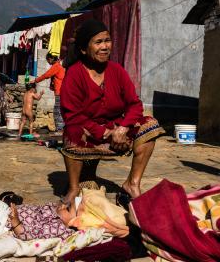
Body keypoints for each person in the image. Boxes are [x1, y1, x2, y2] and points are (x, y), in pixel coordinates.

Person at [59, 19, 165, 206]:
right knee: (72, 130)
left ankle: (132, 183)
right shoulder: (74, 74)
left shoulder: (117, 71)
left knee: (150, 124)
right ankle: (74, 187)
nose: (105, 47)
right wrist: (105, 133)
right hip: (90, 134)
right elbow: (72, 115)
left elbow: (134, 104)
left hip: (117, 133)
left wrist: (122, 129)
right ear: (84, 49)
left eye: (107, 40)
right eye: (98, 42)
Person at [34, 53, 65, 134]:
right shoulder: (58, 65)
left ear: (51, 59)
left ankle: (60, 129)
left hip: (60, 91)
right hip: (61, 91)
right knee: (59, 110)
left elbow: (46, 75)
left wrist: (36, 80)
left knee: (57, 111)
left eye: (48, 60)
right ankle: (61, 128)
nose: (48, 62)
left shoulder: (56, 66)